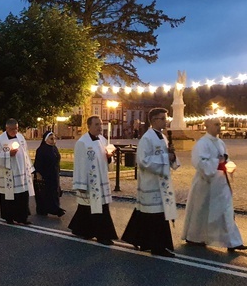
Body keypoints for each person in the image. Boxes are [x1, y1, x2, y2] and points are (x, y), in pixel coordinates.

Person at [181, 118, 247, 252]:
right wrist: (217, 163)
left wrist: (229, 165)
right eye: (216, 124)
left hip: (220, 183)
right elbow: (199, 162)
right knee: (201, 211)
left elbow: (225, 159)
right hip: (206, 182)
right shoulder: (202, 143)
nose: (219, 127)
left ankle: (233, 242)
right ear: (207, 126)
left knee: (226, 210)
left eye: (220, 124)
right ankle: (195, 237)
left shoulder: (220, 142)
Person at [121, 108, 180, 257]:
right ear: (153, 120)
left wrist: (172, 157)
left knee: (150, 214)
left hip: (161, 182)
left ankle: (138, 238)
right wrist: (165, 159)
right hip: (151, 183)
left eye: (165, 118)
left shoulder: (163, 137)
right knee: (155, 215)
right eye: (162, 118)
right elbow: (142, 161)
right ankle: (158, 247)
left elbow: (166, 156)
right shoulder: (146, 138)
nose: (165, 121)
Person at [68, 116, 118, 245]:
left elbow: (106, 161)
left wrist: (109, 157)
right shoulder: (82, 142)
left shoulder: (102, 140)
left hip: (101, 180)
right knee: (96, 208)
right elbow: (79, 164)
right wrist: (80, 184)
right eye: (96, 124)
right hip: (90, 181)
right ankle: (103, 235)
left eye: (100, 124)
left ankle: (81, 229)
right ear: (88, 126)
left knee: (90, 208)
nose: (99, 127)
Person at [0, 118, 34, 225]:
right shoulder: (0, 140)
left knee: (22, 195)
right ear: (7, 128)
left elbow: (26, 152)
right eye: (12, 129)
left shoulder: (20, 137)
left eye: (16, 129)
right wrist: (8, 154)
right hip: (8, 173)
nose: (15, 131)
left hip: (21, 172)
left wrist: (29, 168)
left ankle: (22, 217)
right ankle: (9, 217)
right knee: (9, 195)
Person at [33, 131, 65, 217]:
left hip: (54, 174)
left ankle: (56, 208)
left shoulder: (54, 148)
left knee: (54, 192)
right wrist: (38, 175)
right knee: (45, 193)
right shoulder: (41, 150)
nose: (54, 140)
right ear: (46, 139)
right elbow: (38, 164)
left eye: (54, 138)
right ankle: (50, 210)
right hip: (44, 176)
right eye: (51, 138)